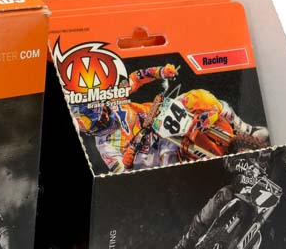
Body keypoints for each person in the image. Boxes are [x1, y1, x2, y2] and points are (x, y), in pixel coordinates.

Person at [74, 65, 267, 171]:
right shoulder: (106, 149)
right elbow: (121, 173)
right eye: (101, 122)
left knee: (201, 97)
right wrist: (129, 160)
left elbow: (135, 77)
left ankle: (245, 128)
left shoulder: (112, 98)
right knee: (174, 168)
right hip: (160, 150)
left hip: (161, 112)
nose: (106, 117)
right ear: (90, 131)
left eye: (104, 112)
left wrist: (161, 72)